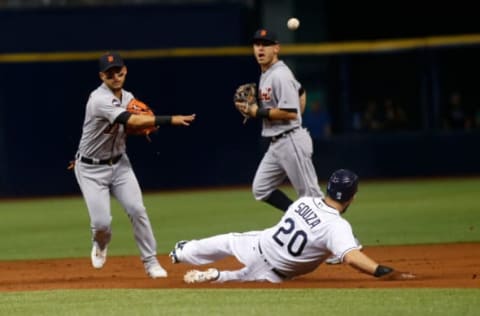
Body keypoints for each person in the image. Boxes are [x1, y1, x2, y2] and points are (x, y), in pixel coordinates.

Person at [169, 169, 415, 283]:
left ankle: (182, 251)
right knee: (241, 278)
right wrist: (382, 270)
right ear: (352, 197)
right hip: (274, 272)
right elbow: (351, 257)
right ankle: (219, 276)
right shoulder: (337, 228)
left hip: (259, 243)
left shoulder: (305, 201)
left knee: (228, 241)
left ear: (328, 188)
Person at [73, 52, 195, 278]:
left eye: (119, 71)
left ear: (125, 71)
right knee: (101, 223)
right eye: (110, 74)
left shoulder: (128, 97)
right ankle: (100, 243)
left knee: (138, 210)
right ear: (102, 76)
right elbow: (134, 120)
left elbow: (136, 123)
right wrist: (169, 119)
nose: (116, 76)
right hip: (90, 168)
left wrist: (144, 126)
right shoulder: (98, 99)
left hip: (120, 164)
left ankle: (151, 262)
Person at [234, 28, 323, 212]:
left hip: (290, 140)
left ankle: (342, 238)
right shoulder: (267, 74)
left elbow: (290, 112)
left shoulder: (280, 74)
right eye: (257, 44)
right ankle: (298, 216)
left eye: (266, 45)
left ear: (276, 49)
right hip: (277, 144)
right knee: (261, 188)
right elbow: (301, 92)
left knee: (312, 197)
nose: (260, 49)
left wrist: (257, 112)